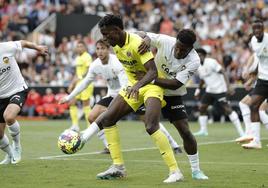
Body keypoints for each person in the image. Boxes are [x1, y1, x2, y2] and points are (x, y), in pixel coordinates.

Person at [80, 14, 181, 183]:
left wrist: (136, 85)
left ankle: (175, 171)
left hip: (151, 86)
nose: (104, 38)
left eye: (106, 34)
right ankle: (118, 167)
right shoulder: (116, 45)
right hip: (133, 86)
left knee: (150, 125)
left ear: (117, 30)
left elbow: (153, 72)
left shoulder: (136, 43)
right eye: (102, 34)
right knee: (109, 119)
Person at [60, 39, 182, 154]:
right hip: (113, 95)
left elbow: (125, 84)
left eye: (103, 48)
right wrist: (69, 97)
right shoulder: (95, 65)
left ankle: (174, 145)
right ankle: (108, 146)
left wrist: (116, 106)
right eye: (97, 49)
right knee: (92, 117)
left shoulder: (116, 63)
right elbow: (85, 82)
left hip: (129, 94)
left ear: (108, 49)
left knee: (149, 122)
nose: (100, 51)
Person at [136, 30, 208, 180]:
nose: (178, 51)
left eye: (183, 49)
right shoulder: (165, 41)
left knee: (185, 131)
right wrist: (147, 39)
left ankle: (196, 170)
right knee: (150, 124)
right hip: (152, 90)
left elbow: (175, 84)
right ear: (175, 42)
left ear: (191, 49)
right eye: (178, 46)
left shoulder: (194, 60)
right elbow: (141, 33)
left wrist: (151, 79)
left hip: (172, 94)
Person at [0, 40, 48, 165]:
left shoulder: (5, 47)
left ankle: (17, 146)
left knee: (9, 117)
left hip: (17, 90)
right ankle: (9, 155)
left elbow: (23, 43)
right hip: (0, 96)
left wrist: (37, 47)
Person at [193, 48, 244, 138]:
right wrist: (198, 90)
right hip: (210, 90)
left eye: (200, 55)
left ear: (204, 55)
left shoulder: (211, 62)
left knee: (227, 109)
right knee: (202, 108)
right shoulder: (198, 66)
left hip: (220, 89)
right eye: (197, 55)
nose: (199, 57)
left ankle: (241, 133)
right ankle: (203, 131)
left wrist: (228, 86)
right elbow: (202, 79)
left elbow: (223, 71)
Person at [240, 19, 268, 149]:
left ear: (263, 29)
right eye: (254, 28)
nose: (257, 31)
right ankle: (256, 140)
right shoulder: (253, 41)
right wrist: (252, 77)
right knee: (253, 105)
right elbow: (259, 61)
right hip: (263, 80)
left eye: (259, 28)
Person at [236, 54, 268, 144]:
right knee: (245, 104)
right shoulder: (258, 49)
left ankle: (251, 134)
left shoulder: (262, 50)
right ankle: (249, 133)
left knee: (260, 110)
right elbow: (257, 65)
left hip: (264, 85)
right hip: (261, 85)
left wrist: (249, 79)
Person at [68, 41, 94, 131]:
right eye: (77, 46)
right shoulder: (78, 58)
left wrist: (78, 78)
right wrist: (72, 83)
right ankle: (75, 125)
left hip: (86, 83)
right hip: (78, 83)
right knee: (71, 102)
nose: (79, 48)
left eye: (81, 46)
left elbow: (88, 71)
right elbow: (77, 72)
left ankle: (89, 126)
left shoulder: (87, 56)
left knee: (85, 105)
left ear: (85, 47)